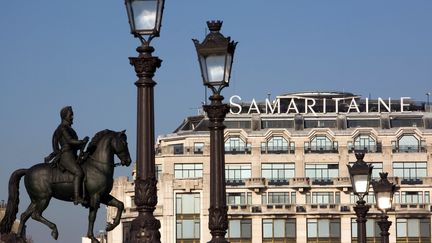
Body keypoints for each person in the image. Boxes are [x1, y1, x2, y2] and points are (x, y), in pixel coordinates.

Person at [45, 106, 89, 205]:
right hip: (66, 156)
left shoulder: (70, 128)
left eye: (72, 114)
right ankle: (77, 197)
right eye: (71, 114)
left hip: (73, 154)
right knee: (79, 172)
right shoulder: (62, 128)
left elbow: (74, 145)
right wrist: (81, 141)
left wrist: (82, 146)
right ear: (65, 116)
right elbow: (69, 141)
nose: (72, 117)